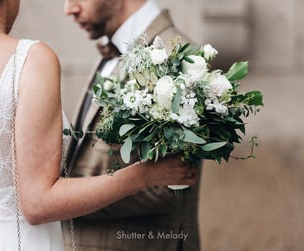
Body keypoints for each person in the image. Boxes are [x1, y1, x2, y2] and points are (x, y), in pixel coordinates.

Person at [0, 0, 197, 250]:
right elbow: (37, 202)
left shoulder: (177, 53)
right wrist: (142, 175)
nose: (68, 8)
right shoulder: (28, 59)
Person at [62, 0, 202, 250]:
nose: (69, 8)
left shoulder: (174, 55)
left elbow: (166, 187)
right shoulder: (115, 50)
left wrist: (60, 199)